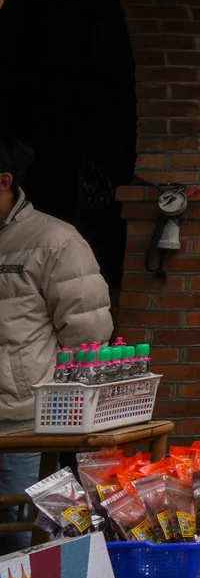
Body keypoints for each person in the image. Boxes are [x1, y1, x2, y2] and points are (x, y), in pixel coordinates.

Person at [0, 139, 112, 511]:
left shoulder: (55, 241)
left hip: (21, 415)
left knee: (24, 524)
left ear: (4, 181)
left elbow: (88, 334)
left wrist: (56, 401)